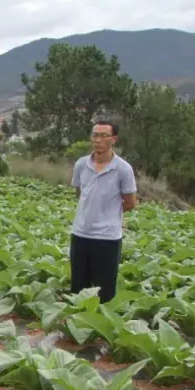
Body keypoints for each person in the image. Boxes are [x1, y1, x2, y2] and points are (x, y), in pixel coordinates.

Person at [70, 120, 137, 303]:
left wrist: (109, 212)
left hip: (107, 238)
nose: (97, 140)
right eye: (95, 135)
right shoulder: (81, 165)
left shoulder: (123, 169)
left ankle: (100, 329)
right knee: (78, 288)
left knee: (105, 291)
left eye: (103, 136)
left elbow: (130, 203)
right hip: (81, 234)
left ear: (113, 139)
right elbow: (80, 193)